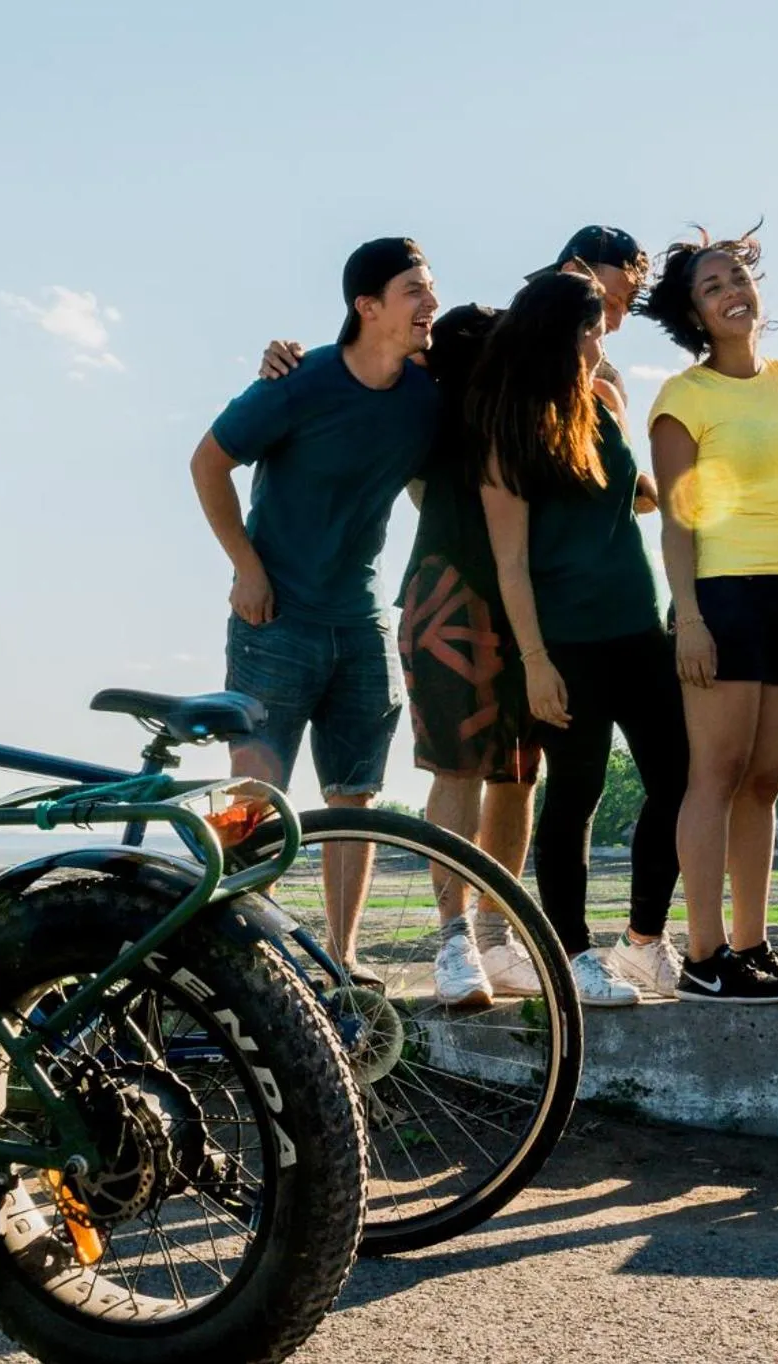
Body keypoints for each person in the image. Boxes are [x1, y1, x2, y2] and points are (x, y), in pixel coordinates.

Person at [254, 227, 656, 1007]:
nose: (602, 311)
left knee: (518, 775)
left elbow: (615, 490)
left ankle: (501, 937)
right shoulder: (464, 340)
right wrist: (285, 362)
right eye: (596, 293)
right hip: (454, 591)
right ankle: (454, 940)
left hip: (543, 602)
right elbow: (362, 368)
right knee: (458, 767)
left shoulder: (576, 378)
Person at [187, 236, 440, 984]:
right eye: (415, 292)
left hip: (360, 620)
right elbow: (207, 461)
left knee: (354, 793)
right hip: (276, 617)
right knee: (252, 795)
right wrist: (246, 568)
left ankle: (343, 957)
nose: (432, 303)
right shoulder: (299, 382)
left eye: (431, 288)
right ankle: (232, 962)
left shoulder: (429, 394)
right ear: (368, 307)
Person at [635, 228, 778, 1003]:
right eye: (711, 286)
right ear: (695, 313)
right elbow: (677, 521)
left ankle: (752, 946)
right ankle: (703, 954)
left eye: (737, 278)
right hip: (719, 595)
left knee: (765, 781)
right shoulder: (683, 398)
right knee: (715, 776)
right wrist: (687, 617)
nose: (732, 292)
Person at [476, 270, 688, 1008]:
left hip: (639, 628)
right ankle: (571, 953)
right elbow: (510, 563)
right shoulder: (508, 429)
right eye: (595, 328)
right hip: (565, 645)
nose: (604, 340)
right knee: (577, 792)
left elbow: (633, 494)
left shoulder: (602, 403)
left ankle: (642, 940)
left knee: (679, 777)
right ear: (564, 334)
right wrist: (535, 662)